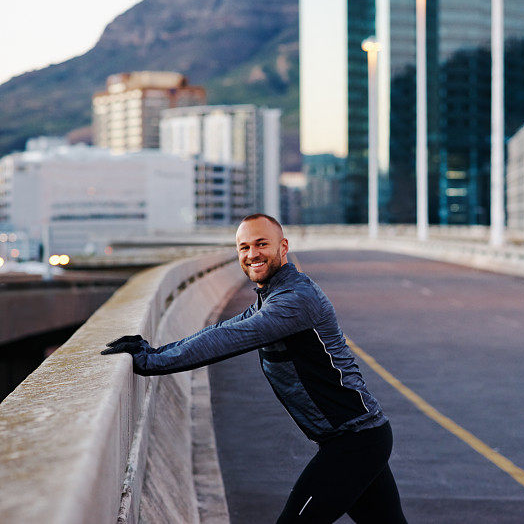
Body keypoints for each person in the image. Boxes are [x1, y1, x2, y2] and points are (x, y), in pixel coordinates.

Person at [102, 213, 407, 524]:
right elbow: (218, 330)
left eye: (262, 244)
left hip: (355, 441)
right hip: (358, 438)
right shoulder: (271, 298)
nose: (252, 254)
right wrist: (153, 351)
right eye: (244, 247)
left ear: (283, 246)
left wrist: (150, 362)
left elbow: (228, 339)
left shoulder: (295, 301)